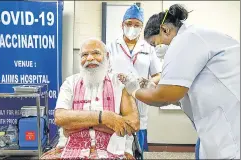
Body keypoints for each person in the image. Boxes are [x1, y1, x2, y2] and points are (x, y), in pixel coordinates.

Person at [119, 4, 240, 159]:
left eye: (155, 44)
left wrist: (134, 90)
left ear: (165, 30)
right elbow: (183, 91)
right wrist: (152, 88)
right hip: (215, 125)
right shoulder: (193, 37)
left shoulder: (185, 40)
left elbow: (166, 96)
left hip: (229, 130)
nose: (157, 50)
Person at [41, 38, 140, 159]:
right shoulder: (70, 83)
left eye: (96, 53)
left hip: (113, 149)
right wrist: (105, 118)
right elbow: (60, 117)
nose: (89, 58)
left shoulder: (119, 84)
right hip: (71, 148)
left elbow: (133, 123)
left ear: (107, 56)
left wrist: (76, 124)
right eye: (84, 55)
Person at [107, 4, 162, 154]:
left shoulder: (148, 48)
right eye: (129, 23)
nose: (132, 27)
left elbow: (158, 74)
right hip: (117, 102)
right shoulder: (111, 47)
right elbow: (104, 73)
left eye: (137, 25)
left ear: (142, 27)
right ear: (122, 25)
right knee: (116, 146)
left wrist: (147, 82)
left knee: (137, 148)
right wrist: (115, 78)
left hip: (140, 100)